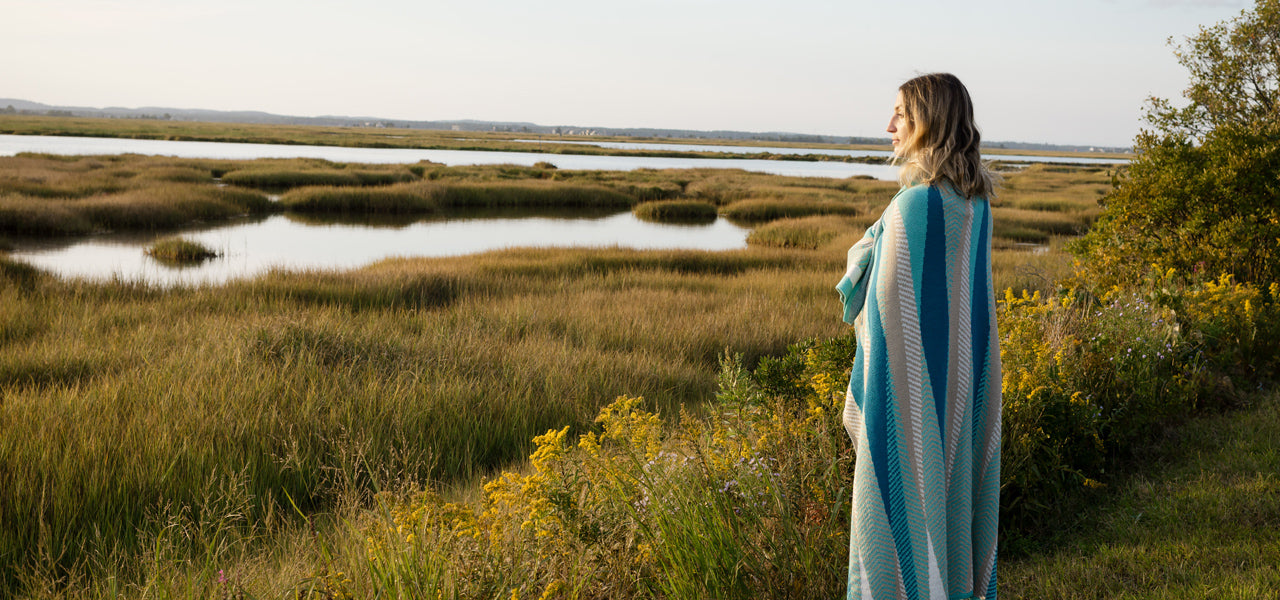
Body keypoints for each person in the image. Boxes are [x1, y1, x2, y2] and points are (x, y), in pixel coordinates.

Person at [836, 73, 1001, 600]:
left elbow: (887, 327)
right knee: (947, 503)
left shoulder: (912, 209)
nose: (889, 127)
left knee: (900, 512)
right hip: (958, 405)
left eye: (901, 116)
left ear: (930, 122)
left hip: (904, 411)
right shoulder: (975, 207)